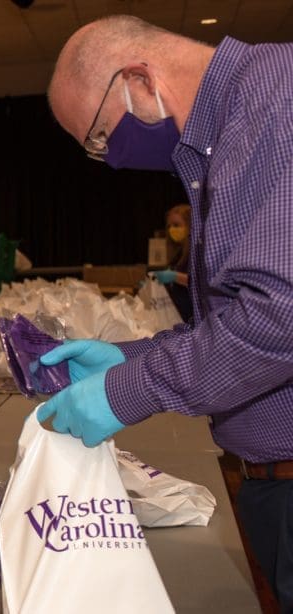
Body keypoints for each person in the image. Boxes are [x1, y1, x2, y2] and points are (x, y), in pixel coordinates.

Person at [41, 15, 293, 609]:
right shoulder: (231, 132)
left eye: (101, 139)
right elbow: (234, 320)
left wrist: (126, 391)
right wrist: (124, 358)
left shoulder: (275, 109)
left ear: (140, 81)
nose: (115, 162)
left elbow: (278, 318)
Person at [151, 204, 192, 321]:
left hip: (191, 317)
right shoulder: (179, 253)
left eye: (176, 225)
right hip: (177, 316)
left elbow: (202, 284)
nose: (171, 230)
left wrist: (174, 276)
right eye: (169, 226)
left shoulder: (197, 252)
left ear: (190, 225)